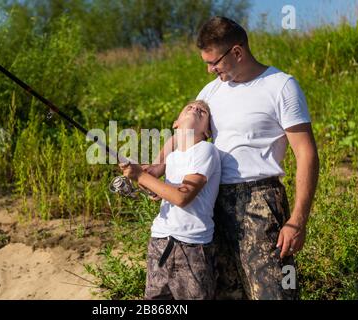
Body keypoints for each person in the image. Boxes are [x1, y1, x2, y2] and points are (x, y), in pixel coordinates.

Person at [145, 17, 319, 300]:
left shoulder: (281, 86)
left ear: (237, 52)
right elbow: (184, 134)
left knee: (275, 290)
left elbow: (306, 153)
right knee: (224, 292)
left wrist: (297, 220)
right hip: (211, 204)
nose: (210, 70)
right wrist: (159, 165)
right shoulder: (211, 90)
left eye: (214, 63)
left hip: (260, 202)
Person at [120, 100, 221, 300]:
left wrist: (141, 176)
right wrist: (152, 185)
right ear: (176, 124)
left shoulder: (205, 151)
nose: (195, 109)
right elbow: (171, 191)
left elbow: (182, 197)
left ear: (207, 131)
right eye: (189, 108)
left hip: (192, 245)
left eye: (202, 111)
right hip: (160, 239)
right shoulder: (173, 158)